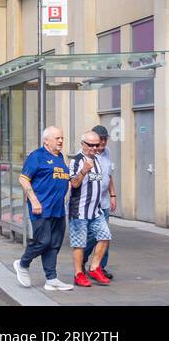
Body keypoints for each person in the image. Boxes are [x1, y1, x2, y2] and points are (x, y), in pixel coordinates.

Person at [13, 126, 73, 291]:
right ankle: (23, 263)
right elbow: (24, 179)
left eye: (62, 138)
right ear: (46, 141)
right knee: (43, 241)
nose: (61, 141)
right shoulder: (37, 156)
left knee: (54, 244)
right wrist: (34, 201)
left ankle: (51, 279)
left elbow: (64, 180)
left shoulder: (60, 157)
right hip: (41, 209)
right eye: (57, 138)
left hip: (58, 210)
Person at [66, 130, 111, 287]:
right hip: (79, 211)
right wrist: (84, 170)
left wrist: (112, 195)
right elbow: (74, 184)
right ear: (82, 144)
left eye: (96, 145)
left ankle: (94, 268)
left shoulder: (97, 159)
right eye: (90, 145)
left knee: (105, 236)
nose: (93, 148)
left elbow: (100, 182)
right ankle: (78, 274)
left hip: (96, 210)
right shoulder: (76, 161)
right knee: (80, 244)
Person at [82, 124, 116, 279]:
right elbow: (84, 179)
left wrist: (113, 195)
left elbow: (108, 176)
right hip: (89, 204)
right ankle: (81, 260)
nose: (102, 143)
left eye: (104, 139)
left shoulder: (107, 153)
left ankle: (100, 267)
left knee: (105, 236)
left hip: (104, 203)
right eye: (100, 140)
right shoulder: (83, 155)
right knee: (91, 236)